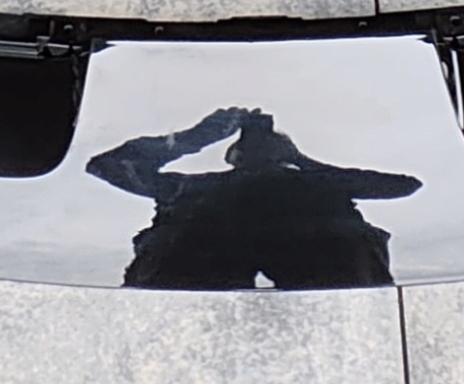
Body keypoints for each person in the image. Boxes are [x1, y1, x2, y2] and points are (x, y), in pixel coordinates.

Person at [87, 104, 421, 288]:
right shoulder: (193, 188)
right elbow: (106, 167)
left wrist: (303, 162)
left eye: (270, 142)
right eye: (247, 143)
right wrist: (197, 136)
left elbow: (404, 185)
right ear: (231, 156)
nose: (259, 146)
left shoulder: (322, 184)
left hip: (340, 303)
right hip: (183, 303)